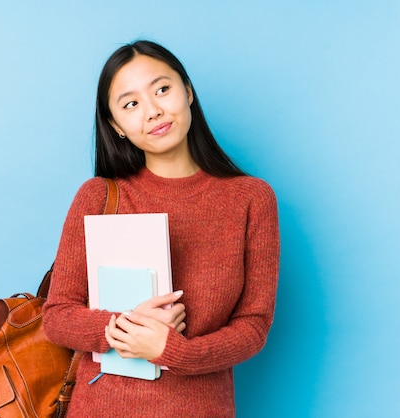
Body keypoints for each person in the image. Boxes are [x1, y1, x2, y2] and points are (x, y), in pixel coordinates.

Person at [43, 40, 280, 417]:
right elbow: (56, 317)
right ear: (116, 125)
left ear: (187, 92)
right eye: (131, 103)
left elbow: (253, 326)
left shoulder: (251, 198)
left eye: (162, 89)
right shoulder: (98, 197)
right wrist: (124, 328)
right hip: (102, 408)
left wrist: (173, 351)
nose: (153, 111)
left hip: (202, 409)